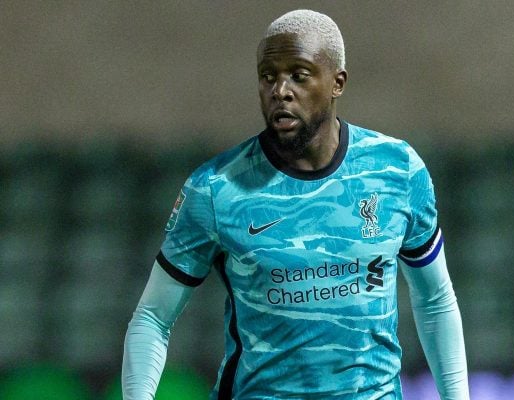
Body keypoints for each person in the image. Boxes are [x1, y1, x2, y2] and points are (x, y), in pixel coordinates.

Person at [122, 9, 470, 400]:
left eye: (299, 75)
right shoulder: (216, 189)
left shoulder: (398, 171)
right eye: (268, 76)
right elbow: (152, 316)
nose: (280, 90)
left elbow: (435, 299)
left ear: (337, 82)